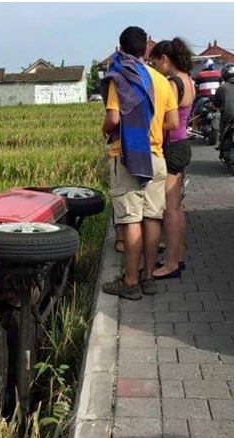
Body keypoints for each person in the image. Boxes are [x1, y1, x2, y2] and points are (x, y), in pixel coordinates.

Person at [100, 26, 179, 300]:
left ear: (120, 48)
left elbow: (113, 118)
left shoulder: (120, 76)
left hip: (129, 158)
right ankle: (147, 278)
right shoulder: (160, 80)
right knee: (152, 217)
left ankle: (130, 282)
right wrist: (152, 130)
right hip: (157, 158)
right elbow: (173, 122)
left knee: (131, 218)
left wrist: (104, 131)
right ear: (146, 48)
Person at [147, 38, 195, 280]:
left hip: (173, 146)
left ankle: (171, 264)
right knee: (176, 206)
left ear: (165, 59)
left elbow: (170, 121)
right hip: (183, 145)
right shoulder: (189, 79)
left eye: (155, 63)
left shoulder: (173, 83)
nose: (155, 68)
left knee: (169, 209)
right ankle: (179, 256)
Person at [212, 64, 234, 148]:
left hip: (228, 117)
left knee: (222, 125)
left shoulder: (222, 87)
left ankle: (221, 143)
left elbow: (216, 104)